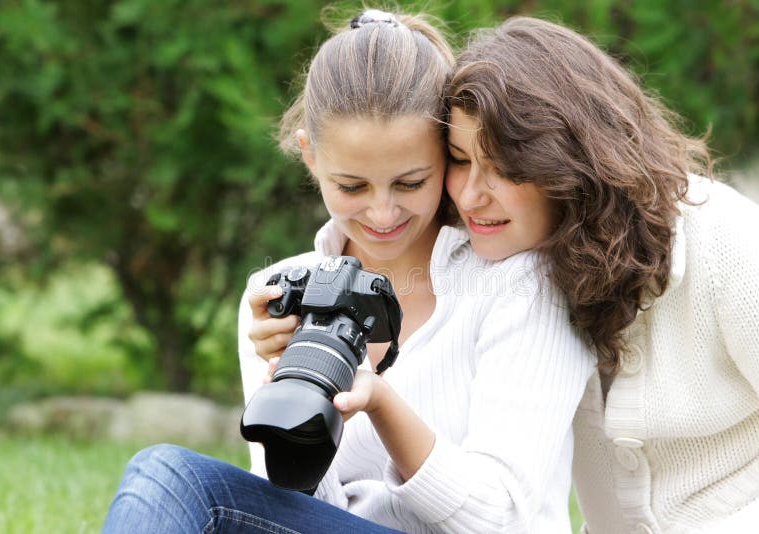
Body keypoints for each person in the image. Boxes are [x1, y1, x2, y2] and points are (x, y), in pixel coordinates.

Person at [102, 9, 595, 534]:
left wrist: (381, 404)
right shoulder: (281, 294)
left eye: (410, 183)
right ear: (311, 158)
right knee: (165, 477)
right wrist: (292, 388)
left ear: (446, 155)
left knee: (167, 476)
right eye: (353, 187)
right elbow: (296, 507)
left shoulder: (519, 284)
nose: (382, 215)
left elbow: (502, 519)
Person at [444, 16, 759, 534]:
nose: (471, 195)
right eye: (458, 159)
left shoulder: (721, 234)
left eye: (502, 167)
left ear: (571, 162)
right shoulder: (489, 271)